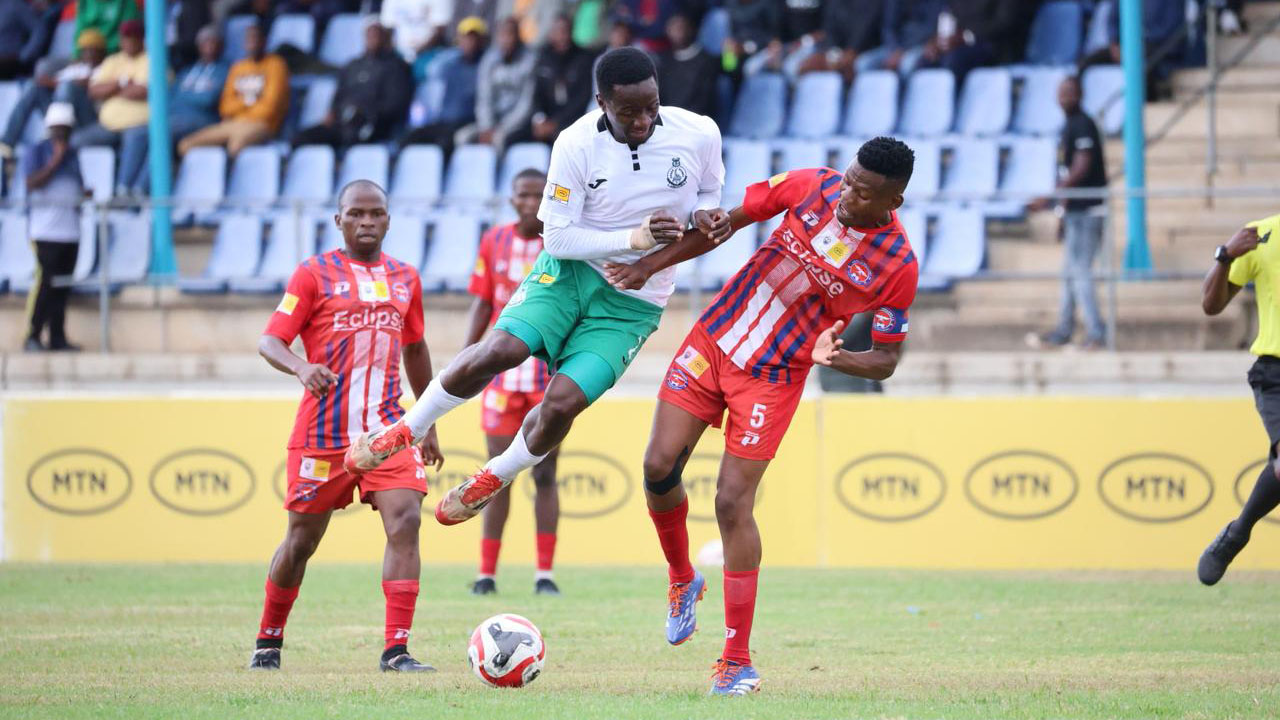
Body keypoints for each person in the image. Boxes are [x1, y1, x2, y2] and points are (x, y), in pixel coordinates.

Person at [344, 47, 728, 531]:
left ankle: (496, 474)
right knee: (500, 351)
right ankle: (407, 428)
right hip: (570, 272)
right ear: (602, 103)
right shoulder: (575, 144)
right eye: (629, 112)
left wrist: (702, 213)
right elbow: (557, 238)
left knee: (564, 403)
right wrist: (635, 239)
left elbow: (710, 189)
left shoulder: (699, 132)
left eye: (651, 107)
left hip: (634, 301)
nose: (643, 121)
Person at [604, 136, 918, 696]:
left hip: (773, 377)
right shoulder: (811, 184)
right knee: (656, 466)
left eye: (863, 192)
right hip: (714, 339)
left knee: (731, 502)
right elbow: (725, 223)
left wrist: (839, 358)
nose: (846, 195)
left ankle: (736, 661)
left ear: (892, 201)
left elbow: (887, 360)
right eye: (848, 180)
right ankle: (682, 578)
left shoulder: (897, 265)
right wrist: (650, 265)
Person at [247, 179, 444, 673]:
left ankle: (396, 650)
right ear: (339, 220)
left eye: (376, 213)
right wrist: (301, 367)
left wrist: (427, 422)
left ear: (388, 220)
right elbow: (270, 341)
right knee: (301, 541)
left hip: (387, 430)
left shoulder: (406, 277)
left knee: (406, 520)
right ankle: (268, 640)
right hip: (323, 435)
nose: (366, 222)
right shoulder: (312, 274)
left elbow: (415, 349)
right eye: (356, 213)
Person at [466, 169, 563, 597]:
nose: (529, 203)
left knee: (545, 474)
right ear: (511, 199)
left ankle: (545, 575)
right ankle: (487, 573)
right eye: (522, 195)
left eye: (537, 195)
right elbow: (482, 303)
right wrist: (467, 360)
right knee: (496, 472)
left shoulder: (560, 242)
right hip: (502, 381)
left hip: (546, 378)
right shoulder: (493, 241)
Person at [1197, 212, 1280, 585]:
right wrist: (1225, 256)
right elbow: (1211, 304)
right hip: (1276, 373)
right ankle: (1237, 534)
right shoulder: (1263, 235)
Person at [1027, 76, 1108, 351]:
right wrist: (1061, 212)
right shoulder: (1068, 126)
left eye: (1070, 92)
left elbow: (1081, 167)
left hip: (1089, 211)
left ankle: (1097, 333)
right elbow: (1067, 171)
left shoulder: (1083, 123)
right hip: (1075, 211)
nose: (1065, 97)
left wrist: (1049, 198)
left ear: (1081, 94)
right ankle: (1065, 329)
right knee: (1069, 274)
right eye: (1062, 92)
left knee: (1081, 272)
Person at [22, 103, 85, 354]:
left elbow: (77, 187)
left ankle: (57, 337)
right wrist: (55, 160)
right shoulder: (37, 151)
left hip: (70, 231)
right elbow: (31, 182)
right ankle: (33, 335)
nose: (63, 134)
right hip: (45, 232)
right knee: (46, 285)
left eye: (66, 129)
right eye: (59, 129)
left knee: (62, 287)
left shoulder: (73, 155)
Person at [293, 19, 413, 149]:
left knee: (353, 140)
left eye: (377, 35)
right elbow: (338, 96)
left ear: (386, 38)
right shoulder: (352, 65)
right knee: (303, 138)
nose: (373, 39)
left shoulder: (396, 67)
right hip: (341, 123)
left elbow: (394, 105)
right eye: (370, 35)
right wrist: (332, 112)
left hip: (371, 126)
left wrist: (365, 113)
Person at [178, 22, 289, 158]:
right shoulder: (238, 67)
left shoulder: (276, 65)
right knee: (185, 145)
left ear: (264, 41)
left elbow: (270, 108)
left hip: (262, 125)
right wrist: (250, 101)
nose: (251, 42)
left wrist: (241, 105)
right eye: (248, 39)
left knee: (235, 146)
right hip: (232, 123)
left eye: (255, 38)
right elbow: (225, 107)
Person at [71, 18, 149, 197]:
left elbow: (142, 91)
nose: (128, 42)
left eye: (132, 38)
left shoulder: (151, 60)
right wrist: (122, 83)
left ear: (140, 39)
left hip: (138, 124)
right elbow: (94, 91)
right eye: (125, 38)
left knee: (135, 138)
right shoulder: (113, 61)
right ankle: (81, 191)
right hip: (107, 125)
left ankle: (122, 191)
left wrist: (111, 90)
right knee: (75, 141)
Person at [399, 16, 486, 157]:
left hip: (468, 121)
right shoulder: (450, 64)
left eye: (473, 38)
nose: (469, 42)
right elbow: (431, 74)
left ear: (482, 40)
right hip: (444, 121)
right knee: (409, 138)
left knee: (445, 144)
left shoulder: (485, 65)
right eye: (465, 38)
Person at [508, 14, 594, 147]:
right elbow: (536, 95)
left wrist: (556, 122)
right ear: (551, 33)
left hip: (571, 121)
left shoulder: (583, 59)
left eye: (565, 31)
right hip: (544, 120)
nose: (562, 36)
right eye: (558, 31)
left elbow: (582, 99)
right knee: (512, 138)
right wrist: (539, 119)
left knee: (561, 140)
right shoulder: (542, 57)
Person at [455, 16, 535, 153]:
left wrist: (502, 128)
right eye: (502, 34)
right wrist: (487, 126)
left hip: (516, 124)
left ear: (518, 36)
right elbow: (484, 98)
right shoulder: (489, 60)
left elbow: (526, 105)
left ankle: (496, 167)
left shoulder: (529, 61)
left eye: (510, 34)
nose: (506, 39)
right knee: (462, 137)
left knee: (499, 139)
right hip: (490, 123)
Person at [655, 13, 720, 118]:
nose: (677, 32)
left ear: (691, 29)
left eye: (680, 27)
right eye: (673, 28)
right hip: (669, 119)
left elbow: (705, 99)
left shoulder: (707, 61)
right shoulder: (664, 61)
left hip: (697, 119)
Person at [856, 0, 943, 77]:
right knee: (861, 64)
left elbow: (929, 29)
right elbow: (888, 28)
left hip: (920, 46)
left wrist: (902, 51)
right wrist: (894, 50)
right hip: (894, 47)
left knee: (906, 65)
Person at [73, 0, 141, 54]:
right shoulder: (84, 2)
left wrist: (103, 48)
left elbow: (129, 33)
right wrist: (77, 54)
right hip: (90, 53)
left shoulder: (126, 2)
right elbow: (80, 32)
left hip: (117, 52)